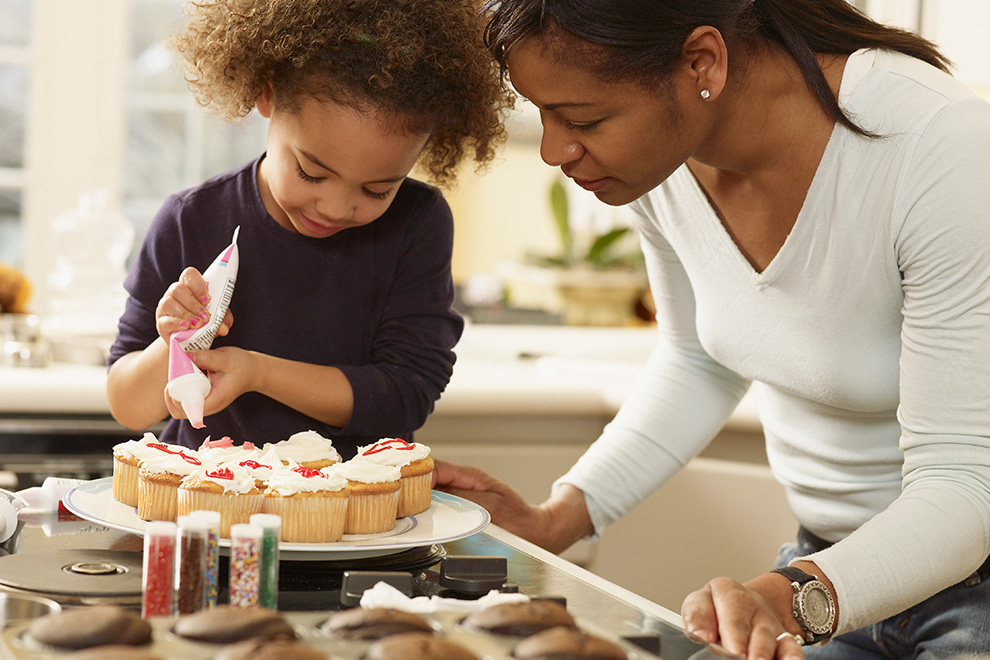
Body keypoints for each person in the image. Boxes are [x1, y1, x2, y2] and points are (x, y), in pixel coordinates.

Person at [432, 1, 990, 658]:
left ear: (702, 61)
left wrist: (785, 596)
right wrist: (558, 519)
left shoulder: (939, 146)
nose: (556, 150)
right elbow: (698, 358)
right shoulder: (664, 159)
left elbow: (965, 483)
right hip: (829, 576)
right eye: (543, 114)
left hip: (962, 591)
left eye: (584, 119)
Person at [106, 0, 511, 457]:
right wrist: (176, 342)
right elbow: (128, 407)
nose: (336, 208)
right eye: (311, 173)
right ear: (268, 94)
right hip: (210, 513)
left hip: (356, 521)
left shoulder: (417, 224)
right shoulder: (190, 220)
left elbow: (405, 395)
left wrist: (257, 373)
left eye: (377, 190)